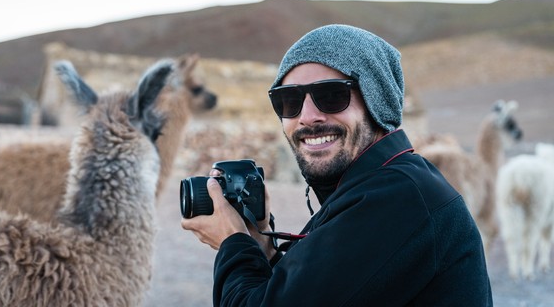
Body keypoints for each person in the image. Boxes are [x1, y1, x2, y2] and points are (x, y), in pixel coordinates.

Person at [181, 24, 493, 306]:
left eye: (331, 96)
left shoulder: (398, 198)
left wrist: (232, 242)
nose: (307, 116)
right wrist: (260, 242)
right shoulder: (379, 188)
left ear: (377, 103)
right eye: (288, 101)